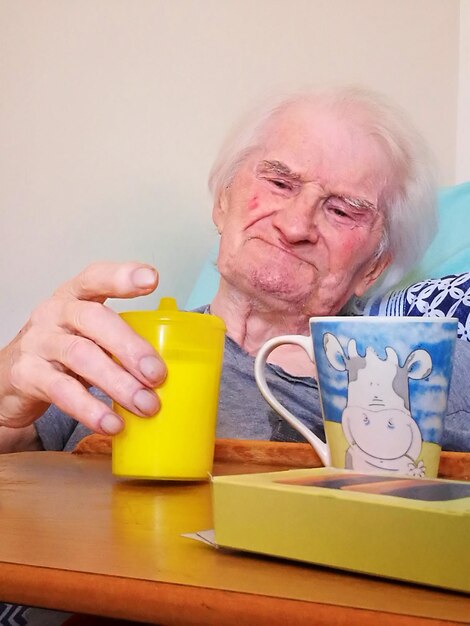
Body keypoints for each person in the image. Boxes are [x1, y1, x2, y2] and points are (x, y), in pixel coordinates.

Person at [1, 86, 469, 455]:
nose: (294, 224)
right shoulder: (105, 354)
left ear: (375, 268)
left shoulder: (430, 377)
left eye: (343, 211)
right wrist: (6, 400)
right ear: (223, 201)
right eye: (280, 182)